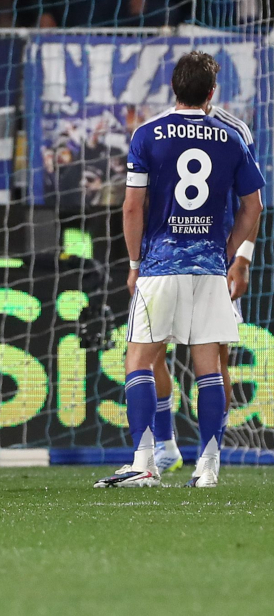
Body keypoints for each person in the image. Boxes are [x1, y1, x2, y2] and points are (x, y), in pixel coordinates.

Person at [96, 51, 263, 490]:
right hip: (210, 267)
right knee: (210, 365)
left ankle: (145, 461)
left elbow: (133, 205)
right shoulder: (232, 136)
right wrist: (229, 252)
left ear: (173, 87)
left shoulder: (148, 134)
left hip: (160, 264)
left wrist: (135, 263)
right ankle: (207, 467)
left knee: (139, 360)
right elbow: (254, 206)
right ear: (211, 93)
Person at [150, 99, 259, 475]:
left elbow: (249, 202)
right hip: (170, 259)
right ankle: (166, 445)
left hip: (210, 261)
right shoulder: (160, 127)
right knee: (152, 352)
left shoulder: (234, 130)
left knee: (215, 358)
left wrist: (240, 260)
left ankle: (210, 453)